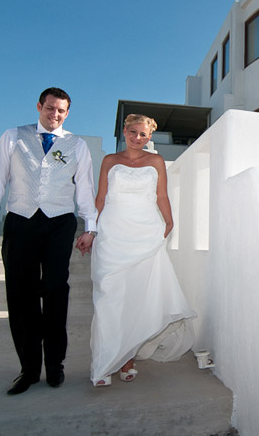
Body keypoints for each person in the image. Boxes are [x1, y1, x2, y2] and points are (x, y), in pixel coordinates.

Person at [0, 87, 98, 395]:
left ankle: (55, 365)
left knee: (56, 291)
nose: (54, 114)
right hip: (20, 222)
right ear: (39, 106)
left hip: (59, 223)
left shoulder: (77, 145)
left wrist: (90, 226)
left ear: (67, 113)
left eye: (61, 110)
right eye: (50, 108)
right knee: (21, 296)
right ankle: (29, 369)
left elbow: (84, 187)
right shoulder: (13, 136)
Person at [89, 114, 196, 387]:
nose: (138, 138)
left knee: (137, 297)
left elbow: (161, 195)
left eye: (144, 135)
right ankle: (103, 364)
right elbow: (100, 198)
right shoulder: (110, 161)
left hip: (146, 233)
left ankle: (126, 359)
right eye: (133, 132)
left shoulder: (156, 161)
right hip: (113, 235)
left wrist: (169, 221)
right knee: (109, 298)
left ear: (150, 137)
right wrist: (91, 231)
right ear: (124, 132)